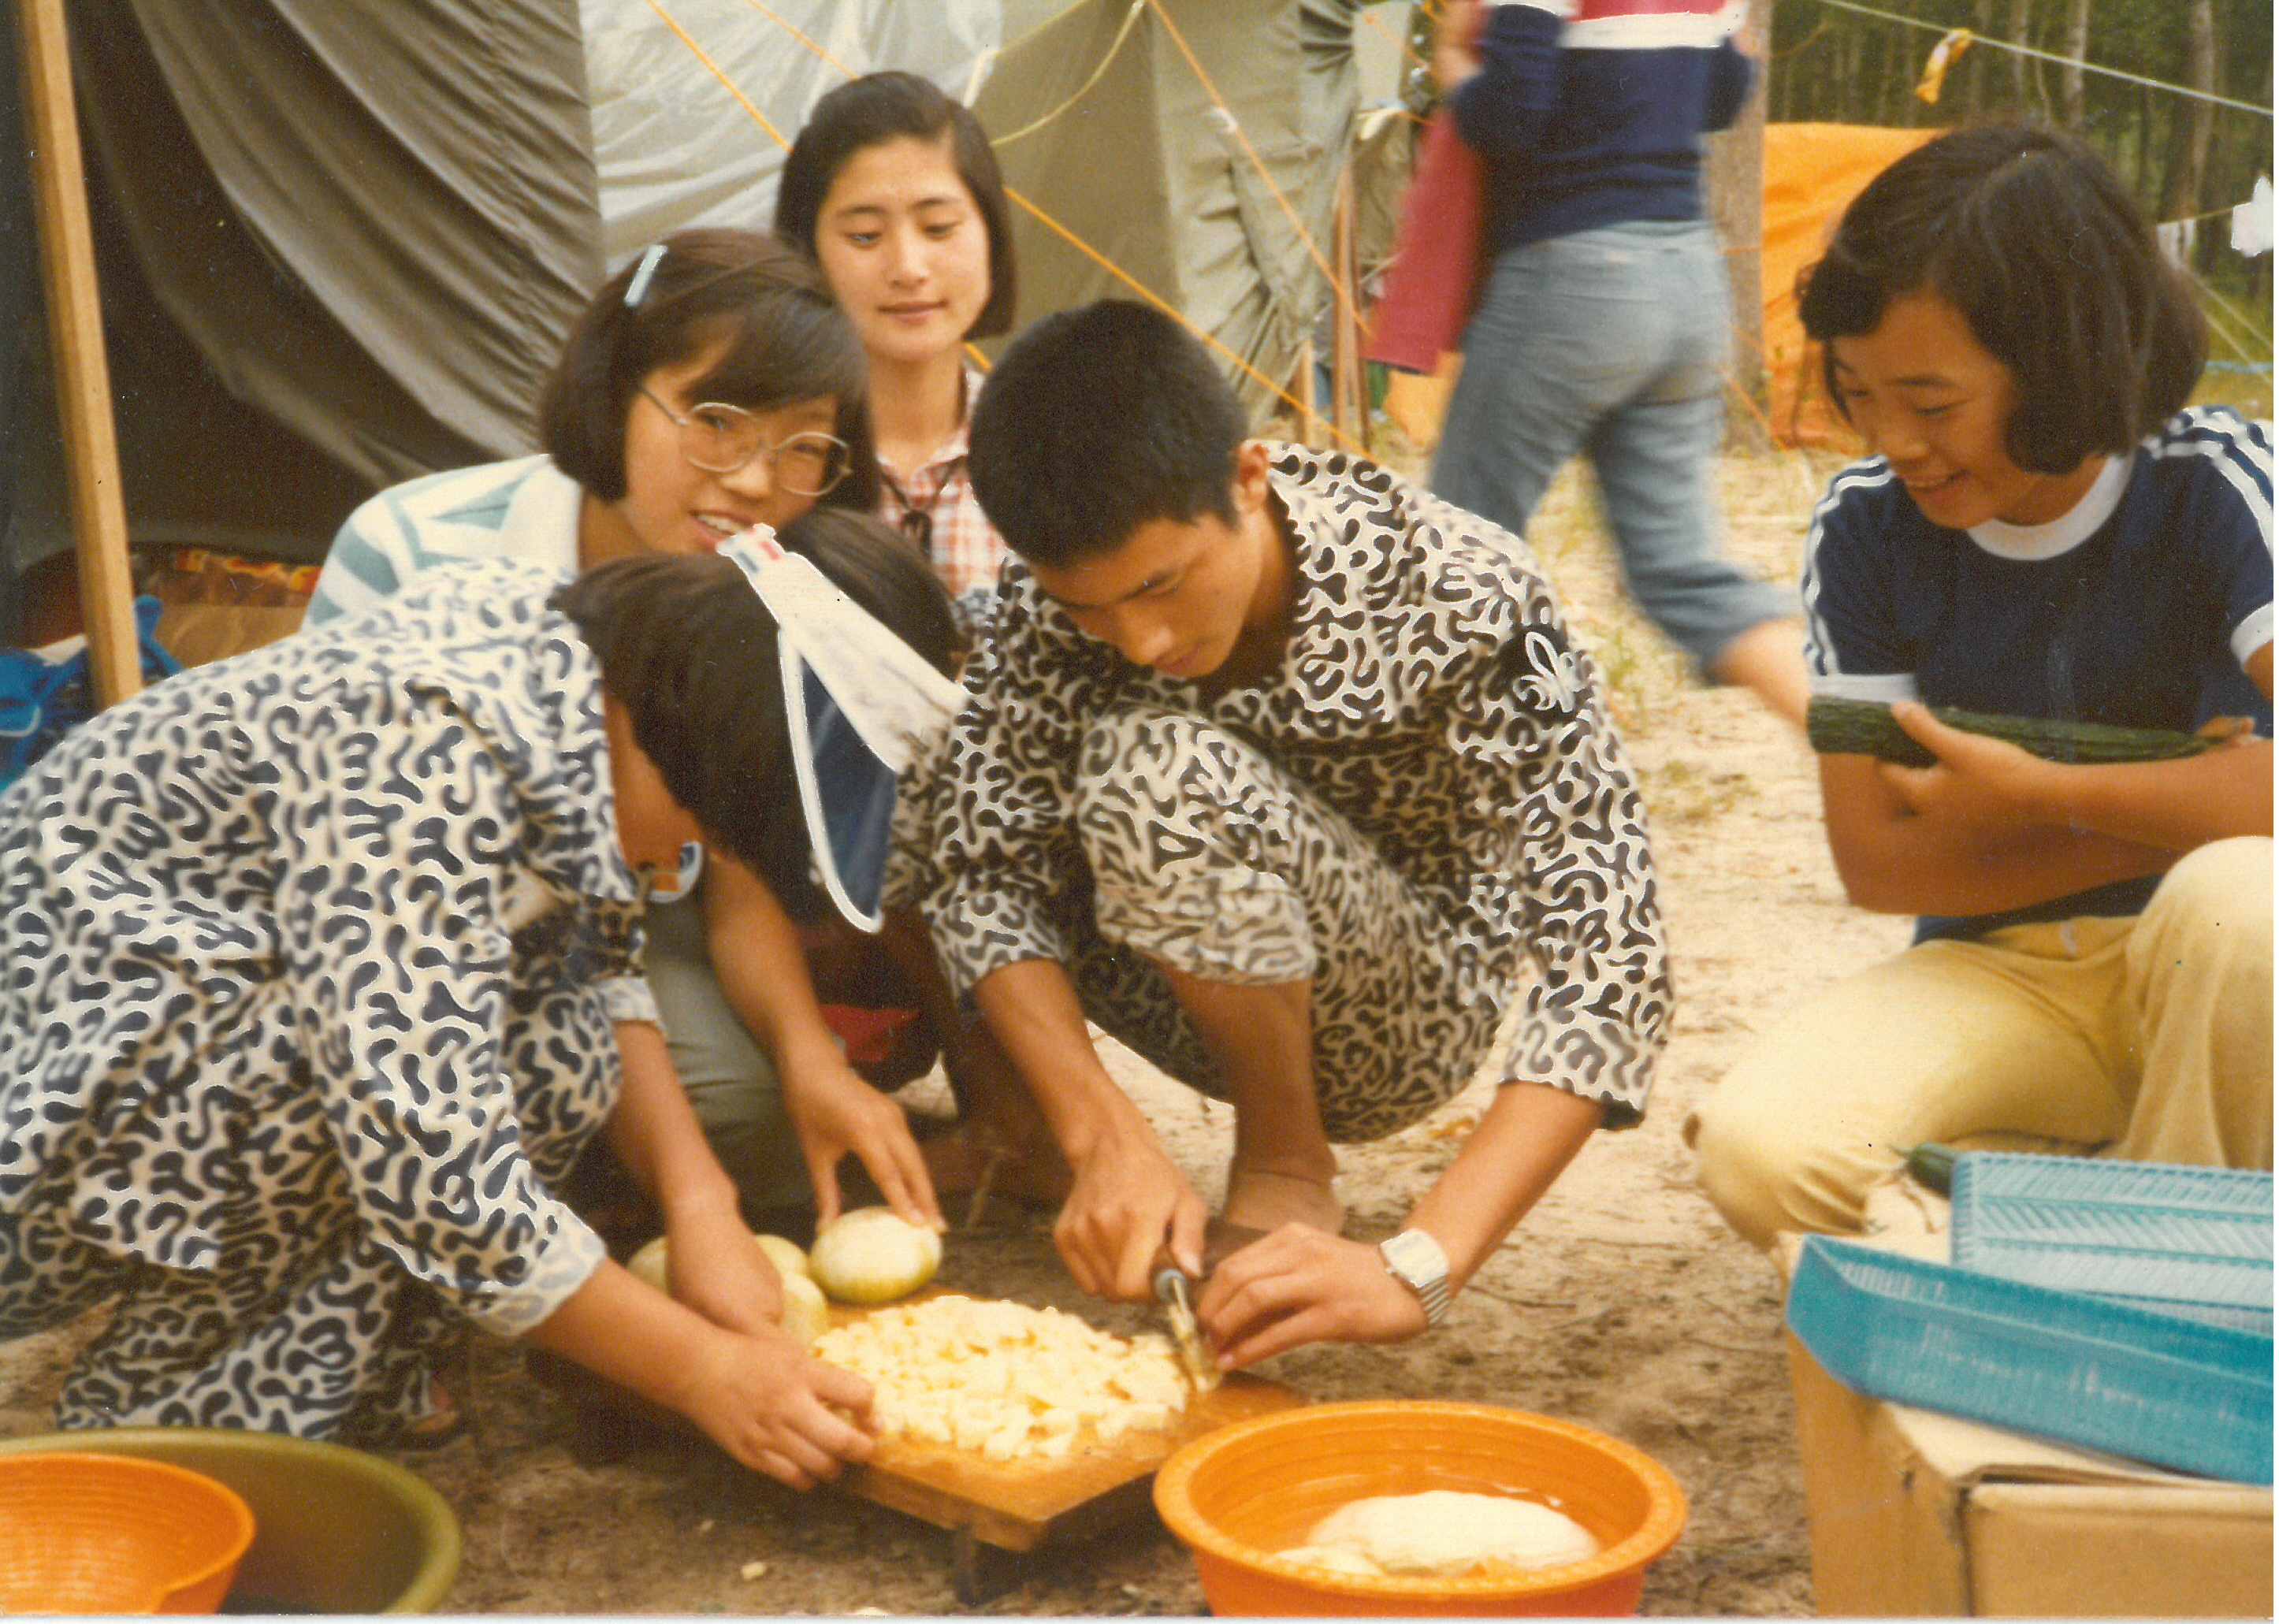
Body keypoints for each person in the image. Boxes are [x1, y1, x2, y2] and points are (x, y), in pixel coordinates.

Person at [0, 551, 954, 1487]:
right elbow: (427, 1156)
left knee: (559, 1048)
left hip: (137, 1063)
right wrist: (701, 1372)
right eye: (710, 829)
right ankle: (184, 1428)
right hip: (42, 1093)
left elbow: (601, 964)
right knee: (342, 1076)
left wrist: (702, 1203)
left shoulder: (599, 673)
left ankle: (309, 1369)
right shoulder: (419, 749)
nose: (693, 853)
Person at [911, 299, 1671, 1369]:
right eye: (1089, 609)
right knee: (923, 767)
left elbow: (1611, 952)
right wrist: (1104, 1131)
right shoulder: (1047, 613)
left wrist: (1424, 1260)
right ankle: (1028, 1131)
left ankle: (1286, 1159)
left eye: (1161, 584)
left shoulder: (1473, 592)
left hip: (1403, 1012)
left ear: (1249, 476)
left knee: (1153, 766)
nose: (1140, 640)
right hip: (1164, 980)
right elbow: (979, 871)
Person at [1685, 123, 2273, 1247]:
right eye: (1859, 394)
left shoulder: (2217, 486)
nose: (1893, 440)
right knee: (1765, 1156)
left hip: (2219, 978)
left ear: (2060, 366)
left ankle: (2163, 1266)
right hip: (1999, 971)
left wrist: (2039, 794)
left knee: (2248, 904)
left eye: (1933, 402)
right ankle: (2114, 1211)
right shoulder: (1862, 528)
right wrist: (2206, 796)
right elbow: (1880, 858)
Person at [305, 228, 943, 1234]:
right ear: (615, 390)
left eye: (803, 443)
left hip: (643, 926)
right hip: (418, 933)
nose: (750, 479)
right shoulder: (409, 551)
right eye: (715, 419)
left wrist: (810, 1060)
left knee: (761, 1135)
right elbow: (354, 904)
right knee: (425, 1112)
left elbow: (733, 877)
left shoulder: (771, 578)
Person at [1424, 0, 1808, 725]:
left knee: (1458, 547)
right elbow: (1725, 96)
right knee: (1681, 570)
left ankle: (1506, 765)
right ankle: (1868, 740)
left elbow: (1508, 119)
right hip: (1689, 278)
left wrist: (1452, 61)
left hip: (1572, 276)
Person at [775, 69, 1019, 641]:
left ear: (992, 233)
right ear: (806, 251)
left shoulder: (1050, 442)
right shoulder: (774, 462)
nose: (909, 267)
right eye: (864, 236)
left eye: (938, 228)